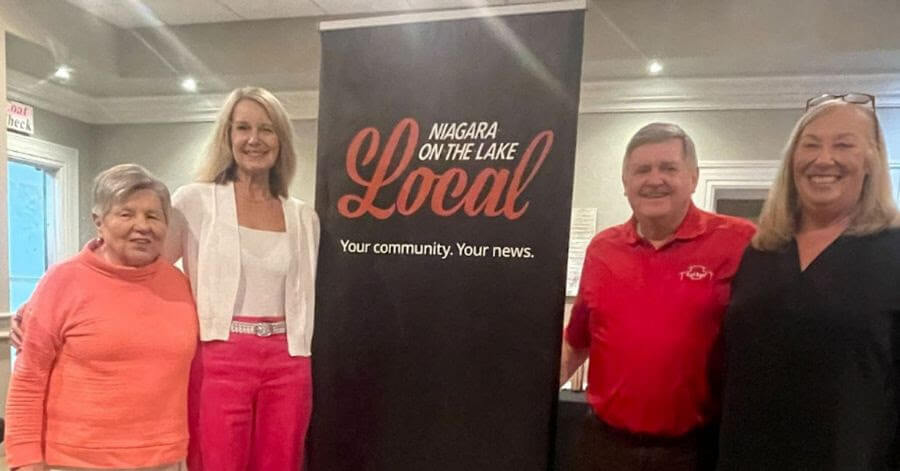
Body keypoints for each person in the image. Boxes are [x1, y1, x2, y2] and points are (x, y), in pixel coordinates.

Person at [717, 93, 900, 470]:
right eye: (811, 145)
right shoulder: (761, 251)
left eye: (844, 145)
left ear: (871, 161)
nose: (823, 159)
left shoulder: (893, 250)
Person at [559, 123, 755, 471]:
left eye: (668, 167)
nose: (654, 179)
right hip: (604, 447)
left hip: (693, 452)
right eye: (642, 170)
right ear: (625, 183)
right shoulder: (602, 249)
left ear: (693, 177)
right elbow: (576, 343)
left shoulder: (740, 241)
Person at [164, 86, 319, 471]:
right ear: (227, 136)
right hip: (220, 357)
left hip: (290, 360)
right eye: (243, 128)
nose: (254, 139)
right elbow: (148, 271)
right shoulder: (193, 201)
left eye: (267, 129)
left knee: (282, 463)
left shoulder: (304, 217)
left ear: (281, 140)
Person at [4, 164, 197, 471]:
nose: (142, 225)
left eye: (153, 215)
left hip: (164, 462)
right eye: (126, 213)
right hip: (75, 463)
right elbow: (28, 382)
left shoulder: (181, 285)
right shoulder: (62, 282)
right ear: (99, 222)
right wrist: (25, 462)